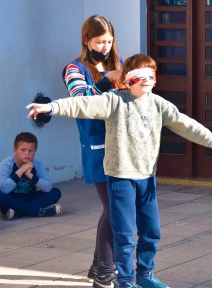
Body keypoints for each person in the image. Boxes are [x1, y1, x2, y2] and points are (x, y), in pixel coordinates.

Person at [27, 53, 212, 288]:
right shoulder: (114, 101)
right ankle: (125, 281)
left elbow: (185, 123)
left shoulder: (159, 105)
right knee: (124, 234)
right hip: (120, 177)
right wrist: (51, 107)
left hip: (146, 177)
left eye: (151, 75)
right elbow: (81, 104)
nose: (146, 80)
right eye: (140, 75)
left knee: (151, 230)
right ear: (128, 80)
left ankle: (145, 276)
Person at [63, 15, 123, 288]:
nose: (106, 46)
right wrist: (106, 81)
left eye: (109, 41)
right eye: (100, 41)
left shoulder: (116, 64)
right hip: (97, 148)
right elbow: (80, 101)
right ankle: (104, 273)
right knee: (113, 210)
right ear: (87, 40)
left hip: (122, 147)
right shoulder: (74, 68)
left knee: (115, 209)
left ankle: (98, 265)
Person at [0, 132, 62, 220]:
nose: (27, 153)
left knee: (56, 192)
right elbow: (4, 189)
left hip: (30, 197)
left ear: (35, 151)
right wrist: (21, 170)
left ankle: (17, 212)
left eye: (30, 150)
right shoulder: (6, 164)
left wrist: (30, 176)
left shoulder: (38, 165)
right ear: (15, 150)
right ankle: (38, 212)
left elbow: (48, 187)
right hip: (11, 199)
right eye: (23, 150)